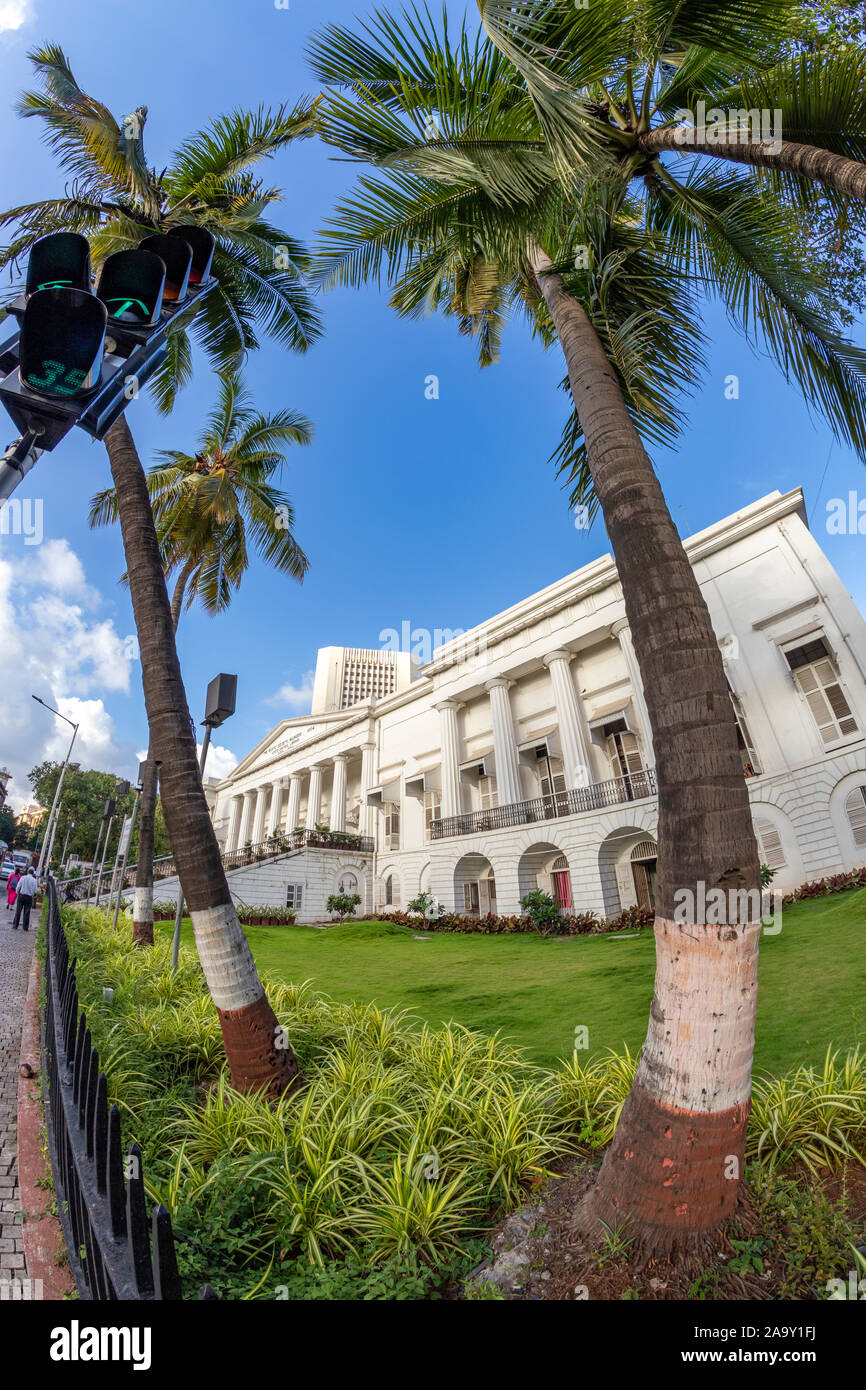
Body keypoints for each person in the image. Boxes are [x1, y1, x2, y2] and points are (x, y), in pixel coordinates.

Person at [12, 867, 38, 931]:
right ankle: (25, 927)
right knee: (27, 912)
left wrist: (18, 893)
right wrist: (32, 893)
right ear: (33, 873)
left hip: (21, 895)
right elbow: (35, 891)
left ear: (28, 872)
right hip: (29, 897)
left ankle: (15, 925)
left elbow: (18, 887)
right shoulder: (34, 880)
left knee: (18, 911)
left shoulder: (23, 878)